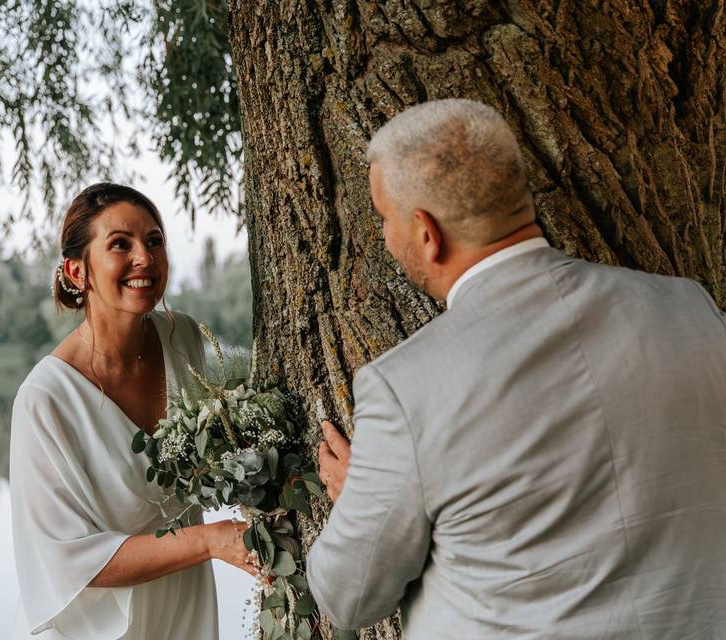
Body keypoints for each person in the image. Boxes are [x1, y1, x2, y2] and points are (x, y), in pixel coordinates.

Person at [308, 99, 726, 638]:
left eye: (384, 219)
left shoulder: (405, 388)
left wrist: (359, 503)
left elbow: (347, 597)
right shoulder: (691, 309)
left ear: (426, 233)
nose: (385, 237)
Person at [9, 183, 255, 640]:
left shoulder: (181, 337)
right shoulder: (44, 399)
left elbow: (217, 454)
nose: (144, 257)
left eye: (154, 241)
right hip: (92, 624)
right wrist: (210, 540)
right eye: (120, 243)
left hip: (180, 602)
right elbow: (66, 561)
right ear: (77, 271)